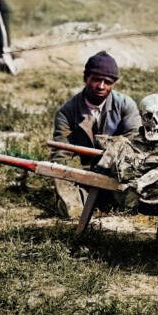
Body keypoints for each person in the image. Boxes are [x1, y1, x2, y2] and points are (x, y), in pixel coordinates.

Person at [51, 51, 141, 217]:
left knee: (133, 199)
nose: (101, 86)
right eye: (96, 79)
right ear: (86, 78)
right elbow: (60, 153)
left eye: (107, 82)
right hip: (87, 175)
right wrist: (65, 182)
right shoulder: (67, 112)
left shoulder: (126, 105)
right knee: (71, 208)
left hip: (119, 172)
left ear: (113, 84)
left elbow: (136, 143)